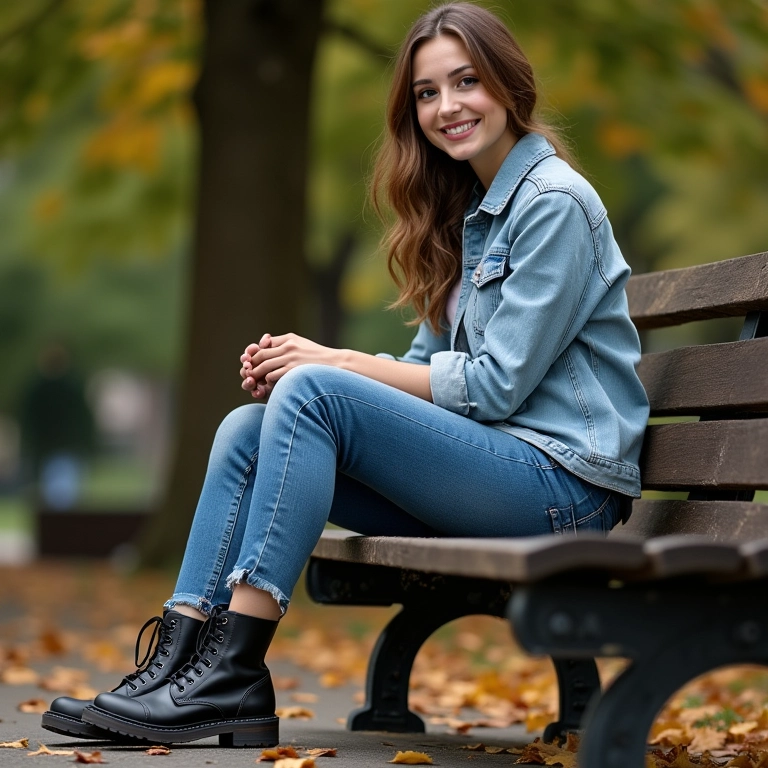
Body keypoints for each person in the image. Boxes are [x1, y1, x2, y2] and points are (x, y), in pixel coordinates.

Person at [43, 1, 649, 748]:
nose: (447, 106)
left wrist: (328, 363)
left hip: (561, 487)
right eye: (427, 92)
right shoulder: (472, 214)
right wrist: (314, 376)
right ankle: (180, 663)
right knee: (250, 428)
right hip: (496, 471)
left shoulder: (554, 204)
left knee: (314, 389)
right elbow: (426, 372)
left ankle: (231, 673)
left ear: (509, 85)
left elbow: (493, 388)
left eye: (466, 81)